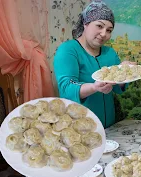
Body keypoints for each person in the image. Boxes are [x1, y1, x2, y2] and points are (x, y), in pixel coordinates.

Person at [53, 0, 134, 128]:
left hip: (109, 127)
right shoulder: (68, 50)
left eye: (109, 30)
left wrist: (124, 72)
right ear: (86, 23)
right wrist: (94, 87)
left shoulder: (110, 53)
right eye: (99, 26)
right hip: (79, 129)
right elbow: (66, 87)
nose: (104, 34)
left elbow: (118, 89)